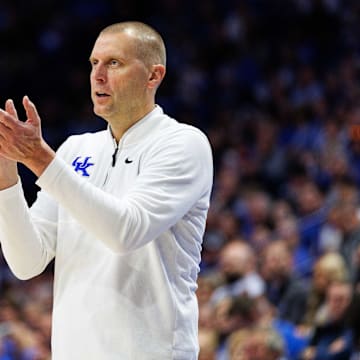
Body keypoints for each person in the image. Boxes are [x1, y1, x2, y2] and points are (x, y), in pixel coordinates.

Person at [0, 21, 213, 359]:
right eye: (93, 63)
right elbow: (26, 261)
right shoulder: (74, 150)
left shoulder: (184, 144)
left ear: (153, 76)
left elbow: (126, 232)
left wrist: (39, 159)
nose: (98, 75)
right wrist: (6, 172)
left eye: (114, 63)